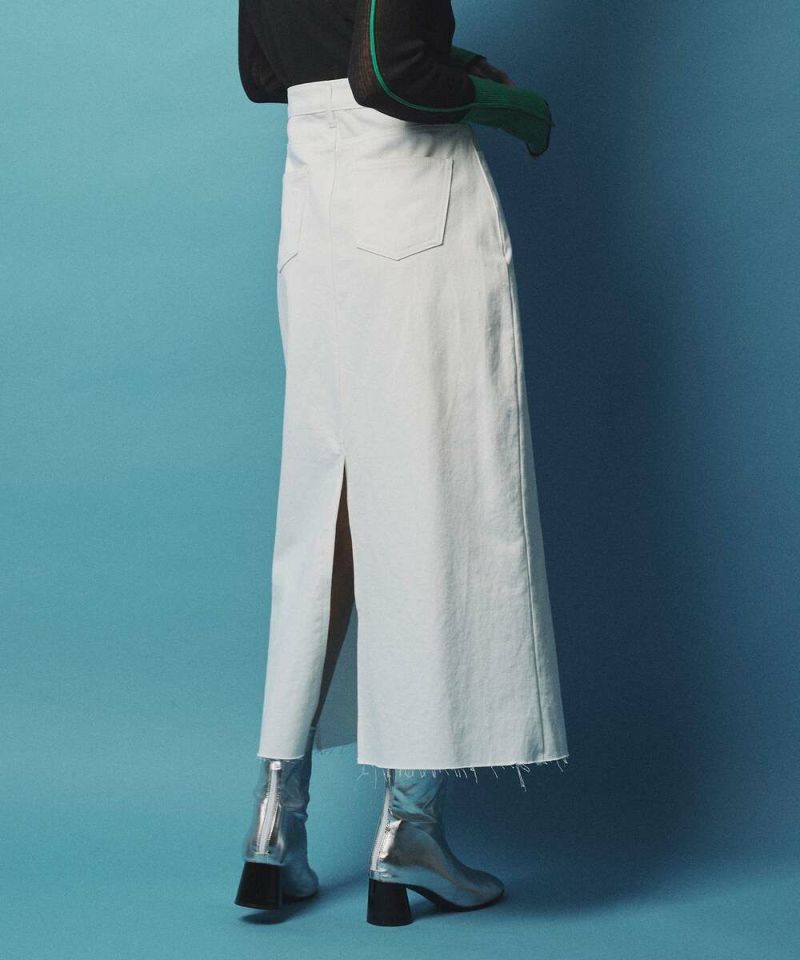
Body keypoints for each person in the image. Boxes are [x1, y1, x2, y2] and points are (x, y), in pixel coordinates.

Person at [234, 0, 569, 926]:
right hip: (409, 210)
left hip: (315, 208)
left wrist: (449, 56)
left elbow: (266, 73)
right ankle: (410, 831)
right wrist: (511, 106)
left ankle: (275, 821)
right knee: (435, 497)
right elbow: (387, 75)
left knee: (327, 508)